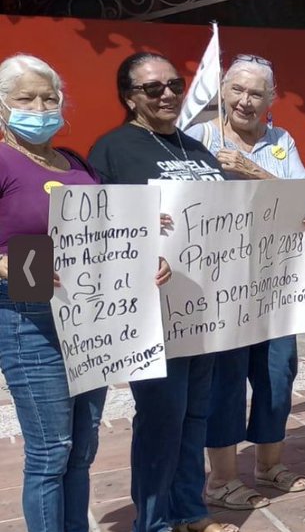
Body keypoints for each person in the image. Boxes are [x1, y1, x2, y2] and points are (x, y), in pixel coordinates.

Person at [0, 54, 167, 532]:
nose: (40, 106)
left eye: (49, 97)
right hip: (28, 316)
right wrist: (4, 264)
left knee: (82, 446)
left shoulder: (75, 162)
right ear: (2, 106)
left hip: (90, 319)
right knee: (50, 450)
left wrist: (143, 251)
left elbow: (104, 230)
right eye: (25, 98)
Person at [87, 52, 232, 532]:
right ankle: (153, 521)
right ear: (129, 97)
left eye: (174, 83)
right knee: (160, 421)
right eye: (153, 88)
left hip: (204, 309)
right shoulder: (112, 151)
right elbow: (98, 229)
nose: (168, 94)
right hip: (150, 313)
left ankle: (191, 510)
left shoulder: (198, 150)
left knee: (195, 417)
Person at [185, 54, 305, 508]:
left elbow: (304, 201)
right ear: (222, 92)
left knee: (278, 373)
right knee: (225, 379)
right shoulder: (196, 137)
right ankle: (221, 479)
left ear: (271, 98)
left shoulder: (281, 140)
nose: (245, 100)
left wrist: (252, 169)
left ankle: (269, 464)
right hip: (218, 287)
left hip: (275, 283)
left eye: (256, 93)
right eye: (237, 89)